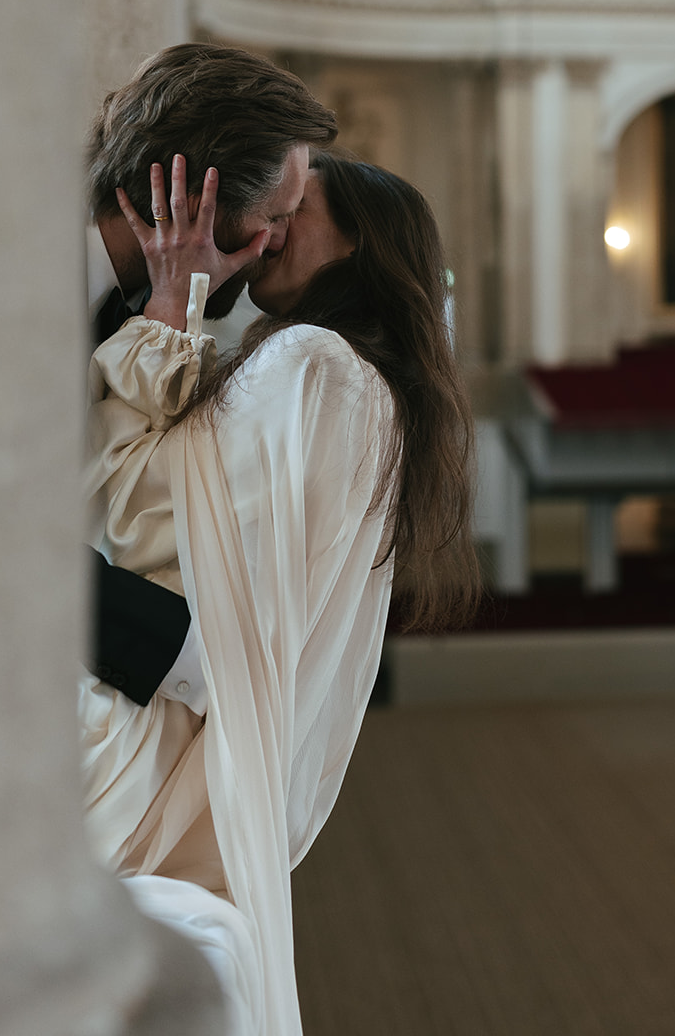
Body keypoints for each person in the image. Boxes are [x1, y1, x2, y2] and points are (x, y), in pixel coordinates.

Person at [81, 151, 479, 1036]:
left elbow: (136, 514)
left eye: (297, 208)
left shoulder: (317, 365)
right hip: (184, 733)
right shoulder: (353, 379)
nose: (267, 227)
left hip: (151, 744)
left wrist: (168, 303)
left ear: (363, 242)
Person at [85, 42, 338, 712]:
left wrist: (172, 310)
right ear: (195, 196)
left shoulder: (136, 314)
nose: (277, 241)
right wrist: (199, 659)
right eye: (277, 216)